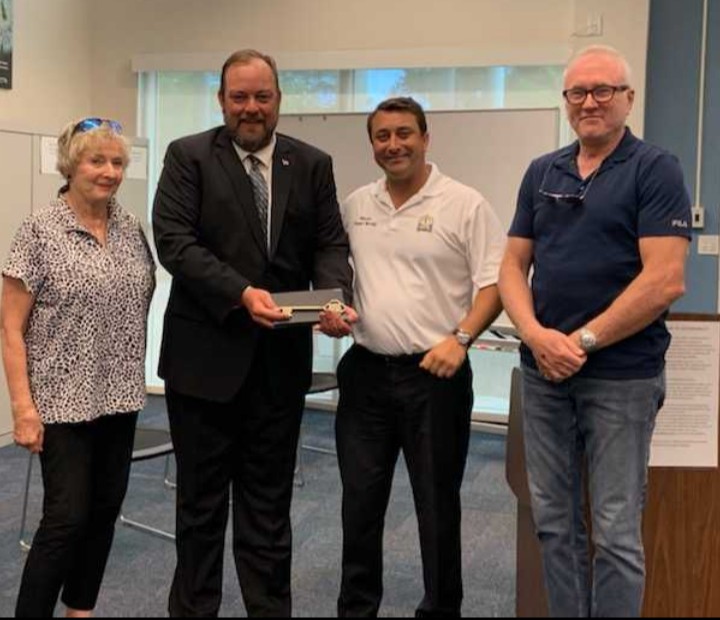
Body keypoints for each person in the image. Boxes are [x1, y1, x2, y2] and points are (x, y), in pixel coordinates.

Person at [152, 48, 355, 617]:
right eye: (239, 97)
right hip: (202, 366)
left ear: (278, 100)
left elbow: (329, 244)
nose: (250, 108)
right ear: (221, 100)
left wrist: (334, 297)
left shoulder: (311, 163)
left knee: (268, 511)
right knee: (200, 511)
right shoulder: (189, 156)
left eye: (262, 96)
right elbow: (174, 242)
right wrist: (241, 293)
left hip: (278, 369)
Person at [499, 45, 691, 617]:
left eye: (603, 90)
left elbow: (665, 280)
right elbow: (511, 267)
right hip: (543, 376)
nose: (589, 102)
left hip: (621, 379)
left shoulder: (655, 169)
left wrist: (581, 342)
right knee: (553, 524)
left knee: (615, 532)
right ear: (566, 101)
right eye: (578, 92)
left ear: (628, 98)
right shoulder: (543, 171)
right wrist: (536, 336)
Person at [336, 96, 505, 618]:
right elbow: (336, 275)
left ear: (426, 138)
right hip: (365, 374)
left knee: (436, 506)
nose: (394, 144)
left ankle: (441, 609)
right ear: (372, 145)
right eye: (382, 136)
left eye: (404, 133)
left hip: (435, 377)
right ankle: (357, 610)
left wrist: (461, 338)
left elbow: (496, 284)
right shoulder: (356, 205)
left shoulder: (464, 204)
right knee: (359, 505)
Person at [0, 118, 156, 618]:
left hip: (120, 395)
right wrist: (23, 408)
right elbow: (10, 328)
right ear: (70, 165)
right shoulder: (39, 230)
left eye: (117, 162)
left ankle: (79, 612)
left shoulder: (131, 228)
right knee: (65, 519)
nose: (109, 172)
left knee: (104, 512)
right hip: (60, 400)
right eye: (96, 160)